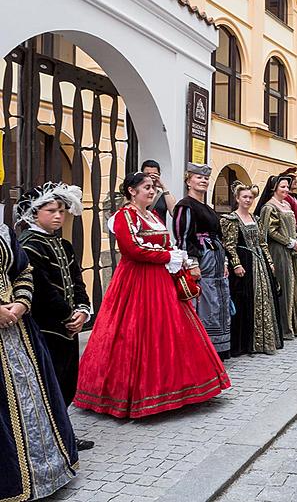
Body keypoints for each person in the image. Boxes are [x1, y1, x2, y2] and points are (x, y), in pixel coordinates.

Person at [75, 172, 230, 418]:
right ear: (131, 191)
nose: (150, 191)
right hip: (136, 281)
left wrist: (174, 256)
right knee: (135, 332)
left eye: (152, 188)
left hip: (161, 280)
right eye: (146, 187)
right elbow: (132, 249)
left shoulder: (154, 216)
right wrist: (167, 256)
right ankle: (134, 395)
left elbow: (167, 243)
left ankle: (179, 389)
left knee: (169, 332)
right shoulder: (124, 216)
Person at [1, 216, 78, 500]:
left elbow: (23, 271)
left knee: (33, 393)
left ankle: (41, 473)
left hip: (18, 330)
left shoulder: (4, 231)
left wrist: (21, 303)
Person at [17, 183, 94, 450]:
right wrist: (67, 314)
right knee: (48, 381)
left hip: (69, 324)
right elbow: (42, 289)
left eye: (62, 210)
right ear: (34, 213)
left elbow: (77, 279)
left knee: (66, 380)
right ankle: (51, 439)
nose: (59, 215)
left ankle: (63, 433)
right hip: (47, 326)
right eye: (51, 210)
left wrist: (83, 309)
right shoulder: (29, 245)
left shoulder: (63, 244)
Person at [174, 163, 233, 358]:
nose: (204, 181)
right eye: (199, 177)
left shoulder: (207, 208)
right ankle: (201, 348)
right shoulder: (185, 206)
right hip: (201, 259)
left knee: (218, 300)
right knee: (204, 301)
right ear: (188, 181)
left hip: (216, 259)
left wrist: (224, 262)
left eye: (206, 178)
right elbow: (182, 237)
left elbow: (219, 235)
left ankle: (217, 347)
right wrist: (191, 262)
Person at [220, 182, 281, 356]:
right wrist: (236, 264)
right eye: (244, 197)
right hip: (244, 264)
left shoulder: (256, 219)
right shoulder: (230, 219)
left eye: (250, 197)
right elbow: (229, 245)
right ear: (237, 198)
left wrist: (269, 261)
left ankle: (263, 340)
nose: (248, 200)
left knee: (263, 299)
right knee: (245, 301)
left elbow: (262, 242)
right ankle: (246, 343)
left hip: (259, 262)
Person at [256, 174, 297, 339]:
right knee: (284, 286)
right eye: (283, 187)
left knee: (296, 286)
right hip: (279, 251)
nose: (286, 190)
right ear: (274, 188)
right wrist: (289, 242)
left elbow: (292, 227)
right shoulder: (269, 207)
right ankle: (284, 328)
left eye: (287, 187)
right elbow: (269, 231)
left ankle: (296, 325)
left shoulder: (286, 204)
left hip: (292, 251)